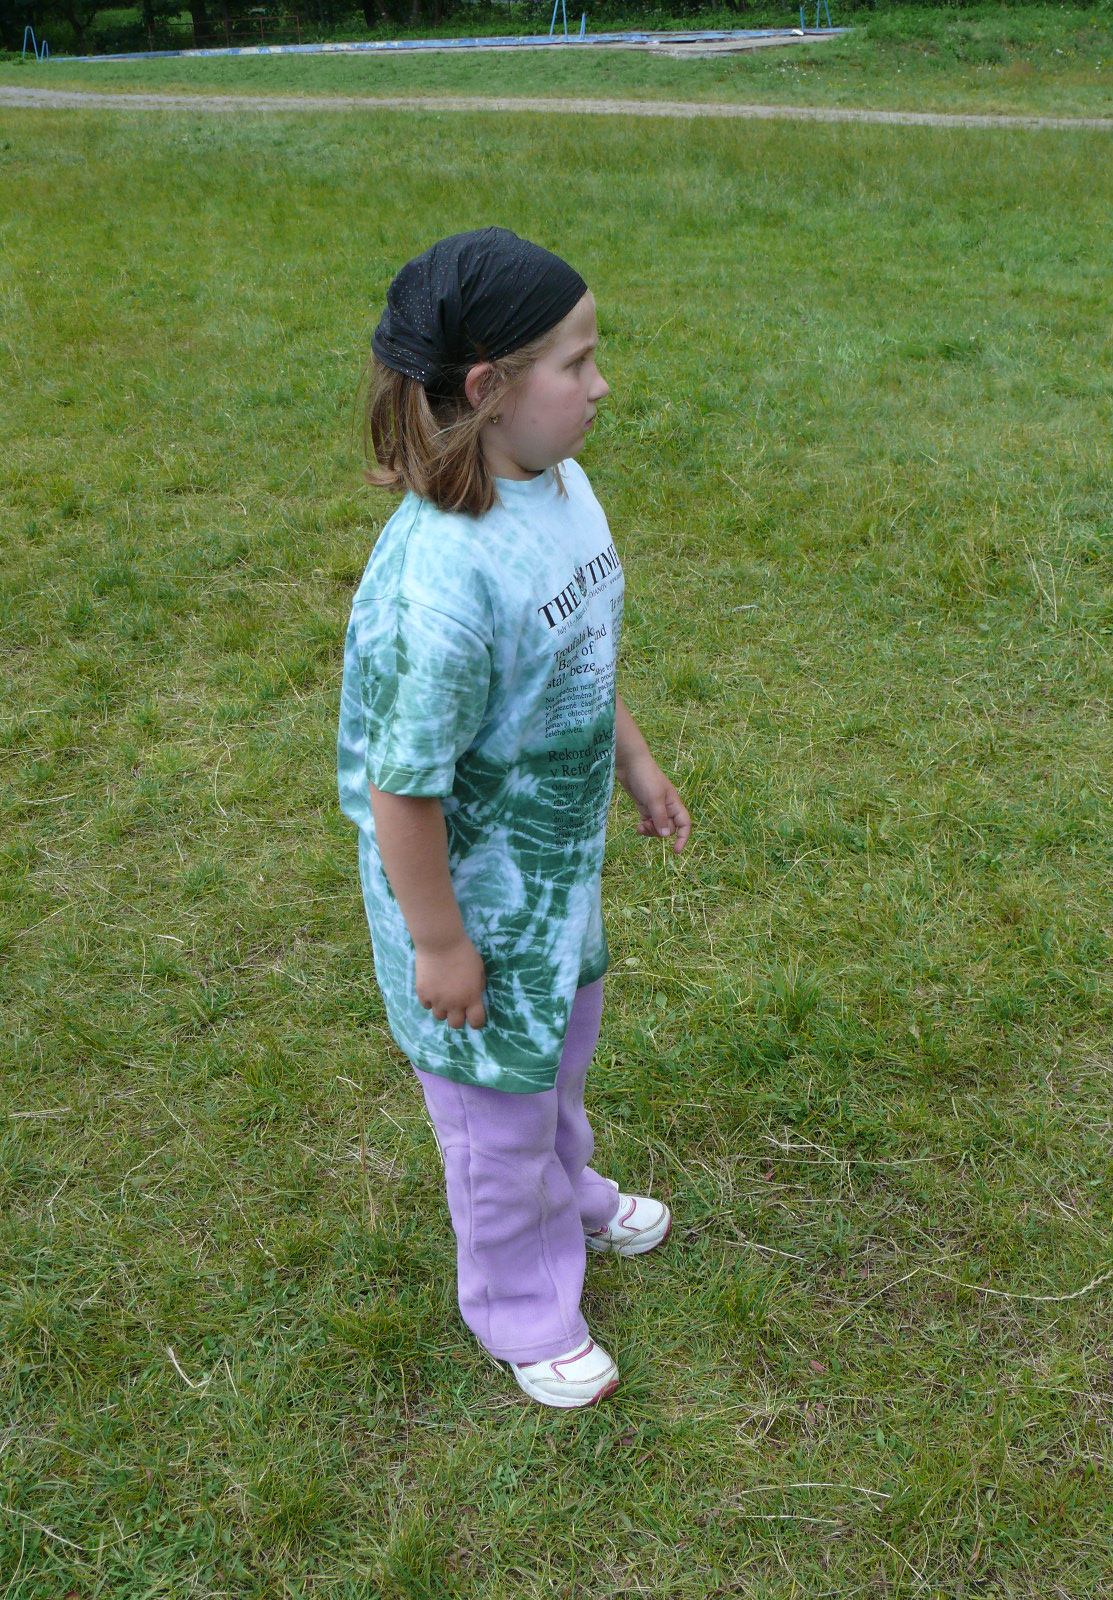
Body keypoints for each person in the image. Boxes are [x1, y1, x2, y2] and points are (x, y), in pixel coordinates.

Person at [337, 228, 691, 1409]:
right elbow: (402, 786)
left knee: (558, 1059)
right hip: (473, 906)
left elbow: (577, 650)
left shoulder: (557, 484)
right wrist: (440, 943)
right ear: (489, 390)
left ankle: (568, 1192)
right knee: (494, 1116)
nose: (601, 385)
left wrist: (633, 760)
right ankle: (522, 1303)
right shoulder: (442, 583)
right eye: (576, 363)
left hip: (552, 877)